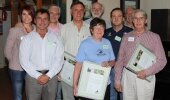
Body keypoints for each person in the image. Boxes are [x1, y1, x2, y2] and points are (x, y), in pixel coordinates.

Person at [114, 9, 167, 100]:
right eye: (136, 18)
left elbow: (162, 60)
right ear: (132, 20)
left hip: (145, 77)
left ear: (146, 20)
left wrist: (147, 72)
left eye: (141, 18)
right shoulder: (126, 37)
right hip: (128, 76)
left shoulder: (154, 37)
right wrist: (117, 80)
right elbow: (120, 60)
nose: (138, 21)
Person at [19, 8, 64, 100]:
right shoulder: (27, 39)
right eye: (39, 18)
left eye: (45, 19)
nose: (42, 21)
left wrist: (49, 75)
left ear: (48, 20)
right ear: (35, 20)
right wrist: (38, 75)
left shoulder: (56, 38)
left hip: (51, 77)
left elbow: (59, 59)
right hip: (32, 77)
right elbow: (23, 60)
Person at [73, 17, 115, 100]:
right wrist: (75, 84)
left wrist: (108, 64)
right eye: (96, 27)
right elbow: (78, 65)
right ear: (91, 30)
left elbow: (113, 61)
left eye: (102, 27)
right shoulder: (85, 44)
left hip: (105, 83)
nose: (99, 30)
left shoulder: (107, 42)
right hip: (88, 83)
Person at [60, 1, 90, 100]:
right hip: (67, 69)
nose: (78, 12)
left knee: (84, 97)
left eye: (81, 10)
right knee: (68, 97)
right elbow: (58, 50)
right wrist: (59, 69)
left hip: (85, 69)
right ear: (71, 12)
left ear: (84, 12)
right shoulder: (64, 28)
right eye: (76, 10)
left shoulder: (90, 28)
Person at [4, 4, 35, 100]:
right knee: (18, 95)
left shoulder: (36, 29)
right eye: (24, 14)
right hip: (17, 68)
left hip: (31, 68)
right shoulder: (16, 29)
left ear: (33, 15)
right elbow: (7, 50)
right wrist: (14, 61)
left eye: (29, 14)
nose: (26, 17)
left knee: (31, 94)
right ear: (20, 15)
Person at [103, 8, 133, 100]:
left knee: (125, 95)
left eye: (119, 16)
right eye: (113, 16)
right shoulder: (105, 32)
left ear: (123, 18)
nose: (116, 18)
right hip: (110, 68)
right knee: (112, 95)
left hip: (125, 69)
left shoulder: (131, 32)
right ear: (111, 18)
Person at [48, 5, 63, 100]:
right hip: (45, 66)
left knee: (57, 94)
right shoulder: (42, 28)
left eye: (56, 14)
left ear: (59, 15)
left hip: (59, 67)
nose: (54, 16)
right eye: (51, 13)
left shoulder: (64, 28)